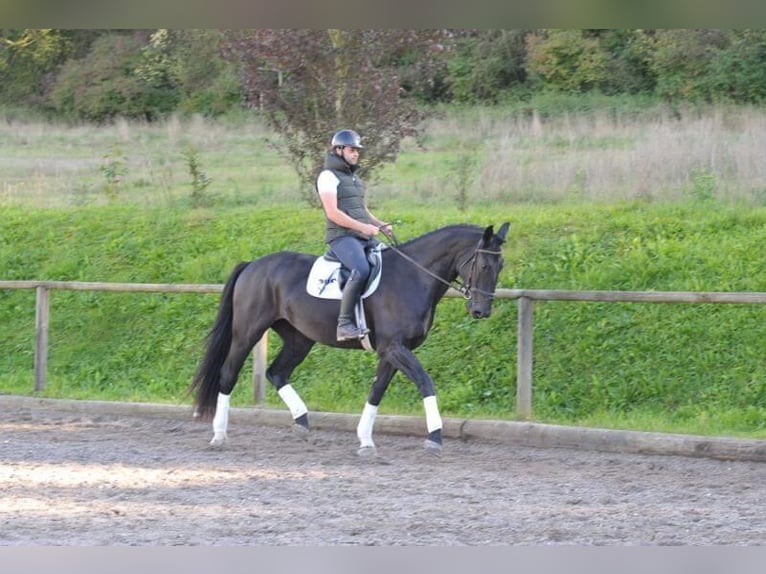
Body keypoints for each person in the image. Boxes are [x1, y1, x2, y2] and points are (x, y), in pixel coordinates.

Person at [316, 129, 392, 341]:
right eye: (352, 150)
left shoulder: (354, 178)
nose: (356, 154)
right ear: (338, 150)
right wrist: (362, 227)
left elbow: (362, 210)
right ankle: (344, 325)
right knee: (360, 268)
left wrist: (379, 224)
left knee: (390, 260)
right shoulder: (327, 177)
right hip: (341, 237)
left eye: (358, 150)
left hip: (361, 236)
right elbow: (333, 213)